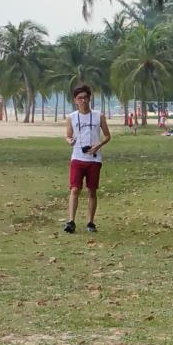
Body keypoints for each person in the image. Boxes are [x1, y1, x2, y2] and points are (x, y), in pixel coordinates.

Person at [64, 84, 112, 234]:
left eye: (85, 97)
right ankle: (71, 221)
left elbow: (108, 136)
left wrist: (98, 145)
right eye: (80, 98)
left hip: (94, 159)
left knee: (92, 191)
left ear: (89, 98)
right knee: (75, 189)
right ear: (75, 100)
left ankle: (90, 222)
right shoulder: (71, 117)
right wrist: (69, 141)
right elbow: (68, 135)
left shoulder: (99, 116)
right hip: (77, 157)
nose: (83, 101)